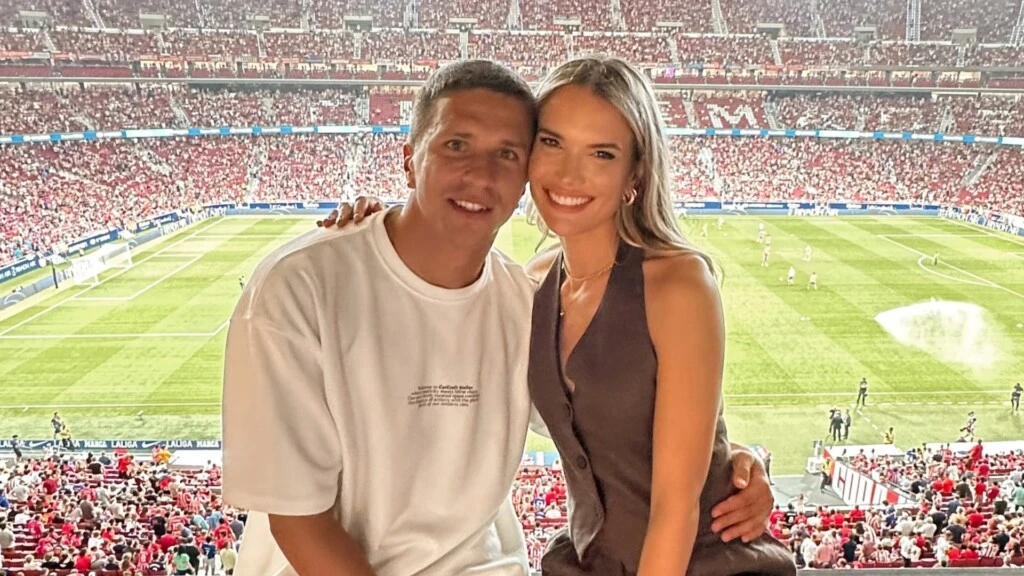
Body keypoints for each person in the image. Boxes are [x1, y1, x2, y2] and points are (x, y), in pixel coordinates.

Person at [226, 60, 773, 576]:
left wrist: (732, 462)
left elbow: (645, 446)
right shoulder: (529, 290)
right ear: (410, 158)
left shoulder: (535, 297)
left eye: (508, 153)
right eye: (456, 145)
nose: (481, 175)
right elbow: (298, 521)